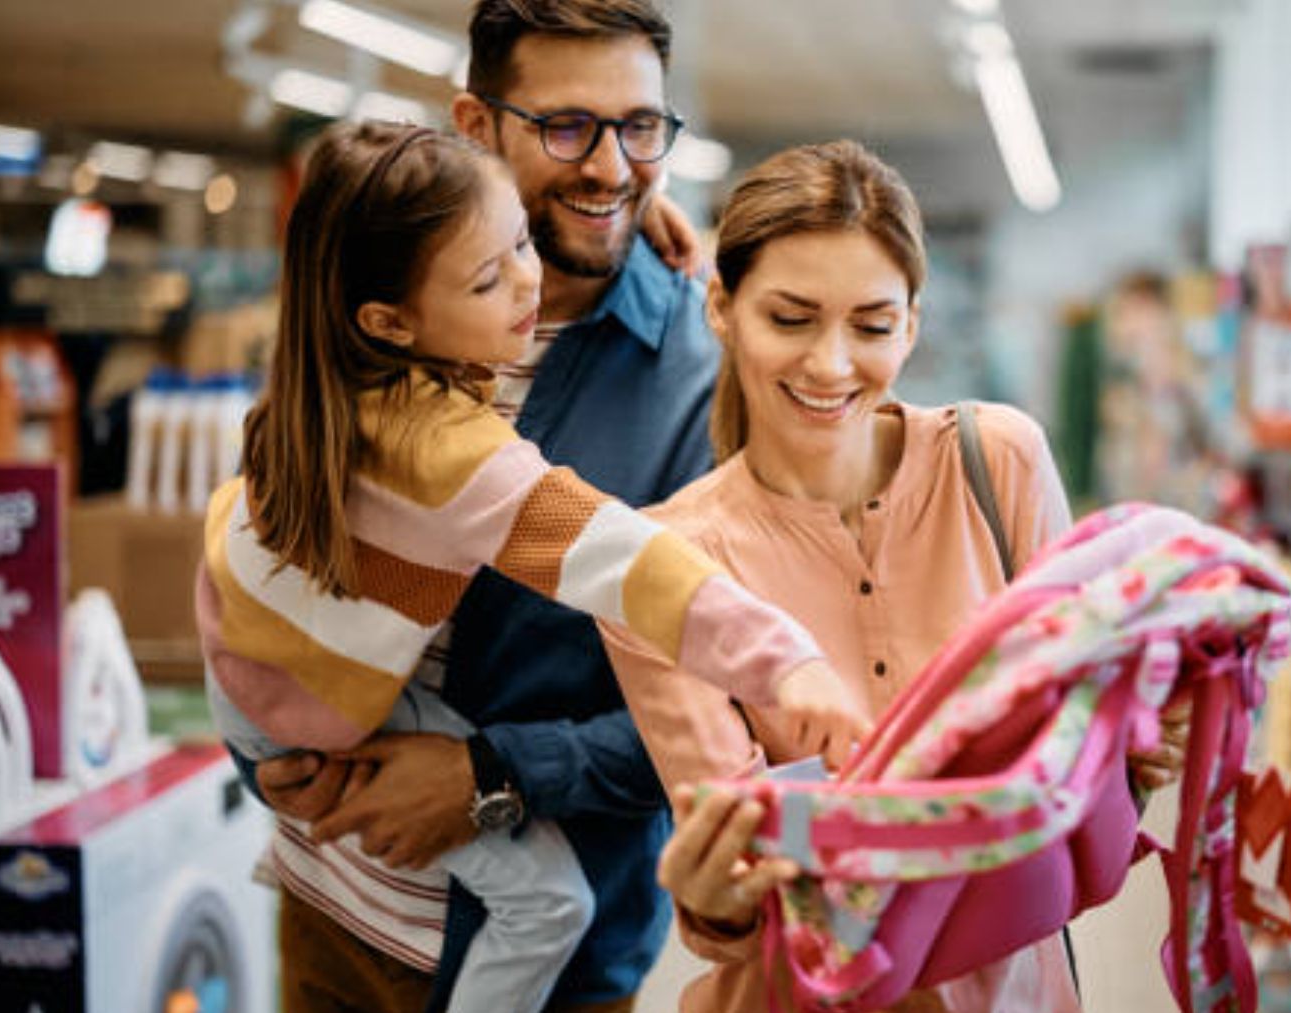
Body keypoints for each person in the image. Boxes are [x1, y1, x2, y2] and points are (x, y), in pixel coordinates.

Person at [200, 119, 869, 1013]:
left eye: (521, 237)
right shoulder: (457, 457)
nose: (529, 280)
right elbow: (636, 567)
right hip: (310, 726)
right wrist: (787, 661)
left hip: (258, 666)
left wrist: (653, 229)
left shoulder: (320, 381)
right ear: (390, 319)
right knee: (549, 903)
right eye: (489, 275)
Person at [607, 139, 1190, 1012]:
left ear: (912, 323)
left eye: (872, 326)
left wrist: (1137, 738)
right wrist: (717, 898)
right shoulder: (669, 564)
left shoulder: (998, 464)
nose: (832, 364)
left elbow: (1088, 761)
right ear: (722, 307)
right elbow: (741, 884)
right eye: (791, 318)